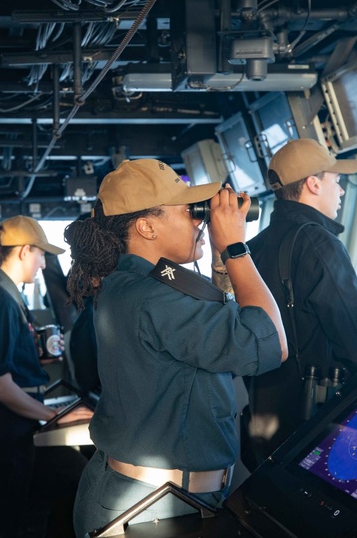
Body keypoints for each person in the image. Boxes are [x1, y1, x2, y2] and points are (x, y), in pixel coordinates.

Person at [65, 159, 288, 537]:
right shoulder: (155, 297)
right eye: (188, 210)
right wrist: (235, 246)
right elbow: (270, 342)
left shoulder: (127, 282)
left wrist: (218, 262)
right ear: (146, 226)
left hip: (143, 496)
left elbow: (209, 321)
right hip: (155, 507)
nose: (198, 219)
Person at [243, 138, 357, 468]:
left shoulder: (255, 246)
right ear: (313, 184)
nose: (342, 191)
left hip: (261, 416)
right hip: (312, 420)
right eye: (337, 181)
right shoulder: (319, 243)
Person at [0, 216, 91, 538]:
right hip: (4, 429)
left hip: (15, 424)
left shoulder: (9, 295)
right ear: (23, 251)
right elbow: (0, 385)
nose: (43, 262)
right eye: (41, 254)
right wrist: (55, 417)